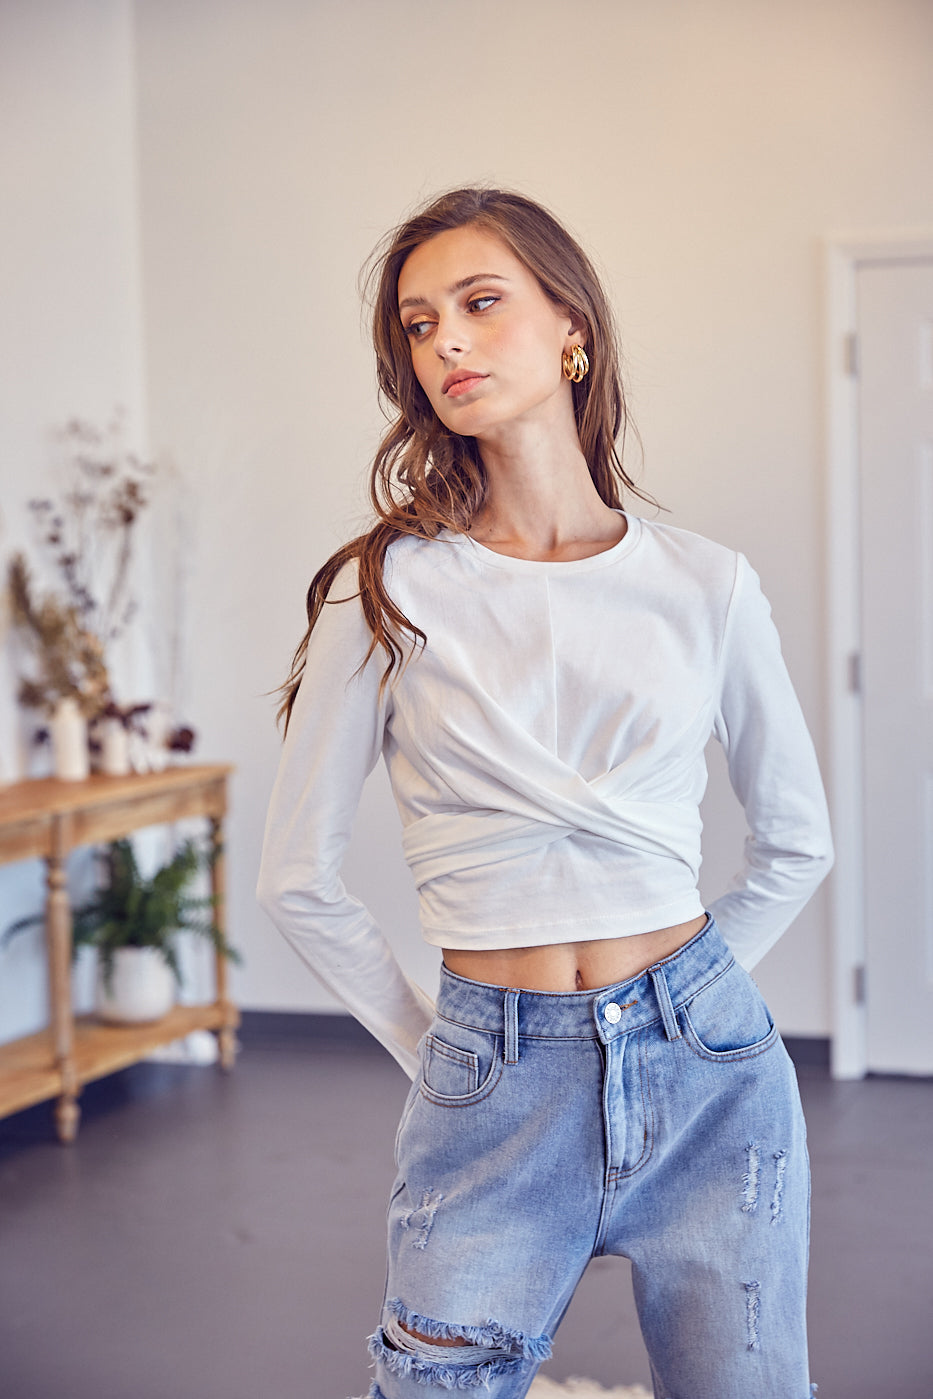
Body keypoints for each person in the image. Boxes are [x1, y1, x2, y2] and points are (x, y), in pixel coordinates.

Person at [257, 187, 832, 1399]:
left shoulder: (705, 583)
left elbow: (797, 842)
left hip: (713, 1080)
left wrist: (693, 1001)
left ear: (572, 328)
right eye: (417, 327)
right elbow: (297, 881)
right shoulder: (389, 590)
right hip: (491, 1068)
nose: (446, 343)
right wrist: (447, 1055)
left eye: (479, 304)